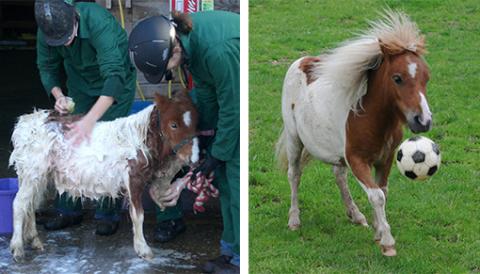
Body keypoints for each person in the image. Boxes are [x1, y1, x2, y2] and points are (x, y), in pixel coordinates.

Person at [128, 11, 239, 273]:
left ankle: (241, 261)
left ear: (173, 49)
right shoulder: (190, 47)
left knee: (235, 180)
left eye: (168, 68)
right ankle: (230, 251)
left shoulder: (217, 51)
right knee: (223, 178)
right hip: (228, 98)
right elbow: (209, 96)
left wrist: (219, 152)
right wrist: (205, 145)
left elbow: (233, 107)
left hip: (240, 99)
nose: (171, 73)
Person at [34, 0, 136, 235]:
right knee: (71, 143)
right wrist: (58, 95)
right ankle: (69, 209)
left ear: (75, 17)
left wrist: (90, 121)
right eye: (60, 41)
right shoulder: (47, 28)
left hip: (113, 84)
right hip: (80, 83)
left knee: (106, 145)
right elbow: (46, 66)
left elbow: (114, 76)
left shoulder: (99, 22)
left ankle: (107, 213)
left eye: (68, 36)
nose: (66, 43)